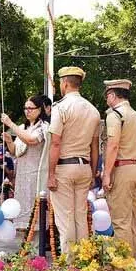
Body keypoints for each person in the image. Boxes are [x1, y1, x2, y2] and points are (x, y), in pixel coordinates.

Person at [47, 66, 100, 253]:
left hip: (64, 166)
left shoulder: (60, 107)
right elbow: (95, 147)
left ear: (65, 83)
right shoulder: (93, 110)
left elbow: (55, 143)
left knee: (65, 218)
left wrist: (51, 174)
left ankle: (70, 263)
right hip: (84, 166)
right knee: (80, 216)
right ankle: (83, 260)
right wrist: (93, 173)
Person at [101, 79, 136, 257]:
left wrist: (106, 174)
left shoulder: (115, 115)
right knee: (132, 221)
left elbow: (113, 145)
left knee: (120, 222)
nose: (106, 100)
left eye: (107, 96)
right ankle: (132, 263)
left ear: (112, 95)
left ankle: (121, 268)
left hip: (122, 169)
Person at [1, 95, 49, 229]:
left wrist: (10, 124)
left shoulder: (43, 127)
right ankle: (26, 243)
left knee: (35, 208)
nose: (27, 111)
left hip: (36, 174)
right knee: (22, 209)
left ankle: (36, 243)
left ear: (40, 109)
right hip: (22, 174)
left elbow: (31, 140)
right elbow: (15, 151)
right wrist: (9, 141)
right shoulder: (23, 127)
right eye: (25, 108)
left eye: (31, 108)